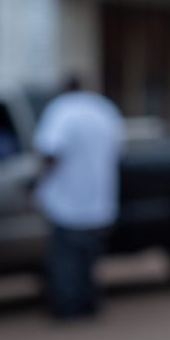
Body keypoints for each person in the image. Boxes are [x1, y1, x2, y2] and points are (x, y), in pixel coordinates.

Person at [33, 74, 124, 321]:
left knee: (66, 261)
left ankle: (68, 308)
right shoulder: (104, 109)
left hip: (68, 201)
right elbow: (118, 149)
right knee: (90, 258)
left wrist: (37, 183)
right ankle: (89, 303)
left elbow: (50, 151)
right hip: (99, 200)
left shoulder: (62, 110)